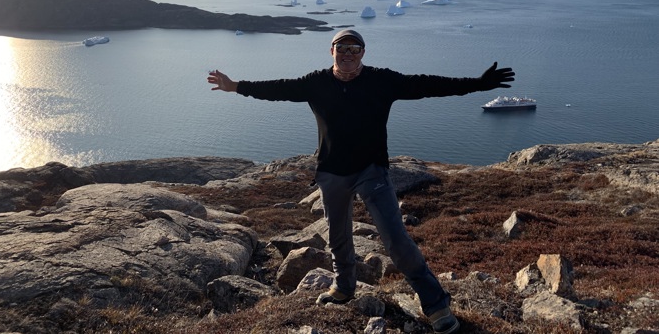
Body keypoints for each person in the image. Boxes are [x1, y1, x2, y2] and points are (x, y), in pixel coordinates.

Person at [207, 29, 514, 334]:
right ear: (332, 51)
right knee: (338, 237)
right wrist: (235, 86)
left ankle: (435, 304)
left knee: (396, 239)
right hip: (331, 173)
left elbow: (426, 84)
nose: (348, 54)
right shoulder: (316, 82)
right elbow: (277, 88)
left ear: (363, 54)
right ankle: (343, 286)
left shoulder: (382, 80)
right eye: (342, 48)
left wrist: (477, 84)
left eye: (355, 49)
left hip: (372, 171)